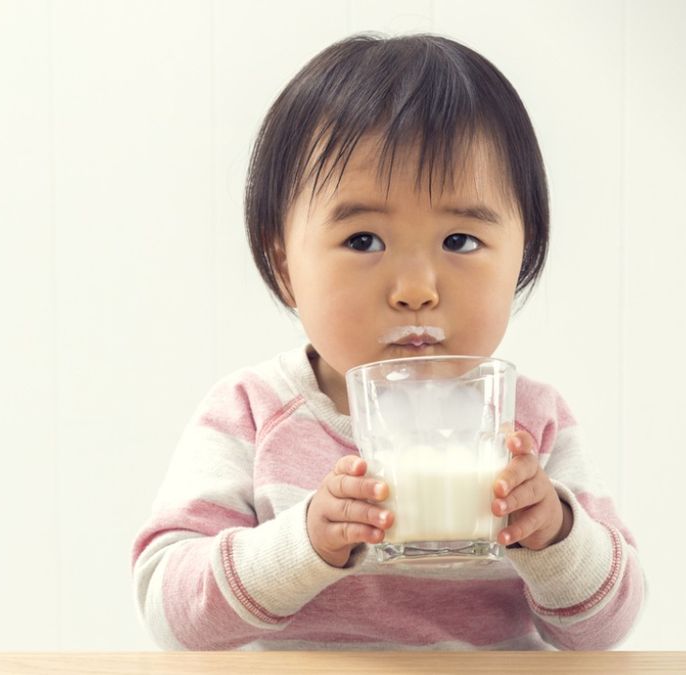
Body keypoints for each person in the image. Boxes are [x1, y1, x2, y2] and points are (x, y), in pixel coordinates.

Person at [131, 32, 644, 650]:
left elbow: (605, 628)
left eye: (460, 241)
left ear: (522, 254)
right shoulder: (253, 412)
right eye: (363, 240)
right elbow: (169, 613)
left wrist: (555, 534)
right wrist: (307, 543)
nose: (416, 289)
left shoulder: (529, 422)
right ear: (285, 263)